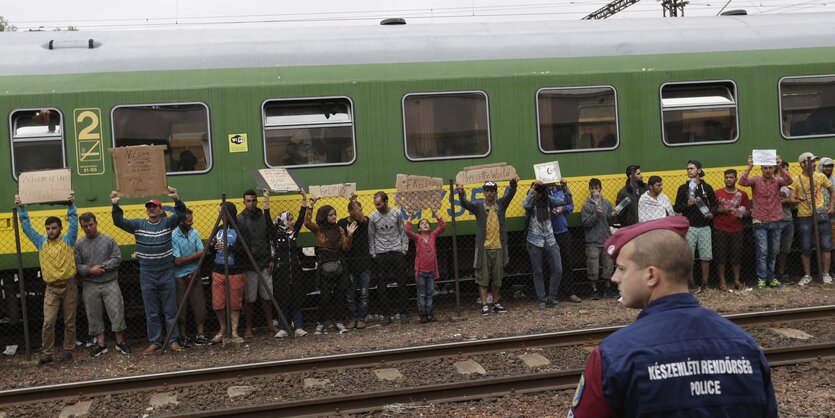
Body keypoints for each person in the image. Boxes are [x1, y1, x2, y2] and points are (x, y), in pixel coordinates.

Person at [568, 217, 777, 417]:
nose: (615, 278)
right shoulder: (745, 347)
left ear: (651, 275)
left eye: (622, 269)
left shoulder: (614, 355)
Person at [111, 187, 186, 353]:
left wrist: (176, 199)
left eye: (155, 207)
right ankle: (155, 342)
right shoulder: (138, 224)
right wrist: (116, 205)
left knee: (170, 310)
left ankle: (173, 341)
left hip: (166, 272)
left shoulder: (167, 223)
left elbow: (181, 214)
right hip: (147, 274)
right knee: (151, 312)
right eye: (149, 207)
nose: (151, 209)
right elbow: (119, 222)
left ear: (160, 210)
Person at [16, 192, 78, 364]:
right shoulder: (40, 242)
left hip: (70, 286)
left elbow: (73, 221)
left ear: (60, 228)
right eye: (48, 228)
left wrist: (71, 204)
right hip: (51, 288)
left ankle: (68, 350)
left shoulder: (69, 240)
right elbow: (27, 227)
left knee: (69, 321)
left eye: (54, 228)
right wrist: (22, 207)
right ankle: (47, 353)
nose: (50, 231)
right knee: (48, 322)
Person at [457, 178, 518, 316]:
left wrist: (513, 184)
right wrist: (461, 194)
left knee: (497, 277)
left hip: (498, 247)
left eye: (492, 191)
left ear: (495, 193)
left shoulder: (501, 205)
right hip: (483, 248)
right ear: (483, 193)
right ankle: (484, 305)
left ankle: (496, 303)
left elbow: (510, 194)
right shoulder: (479, 207)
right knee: (482, 278)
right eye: (487, 191)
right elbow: (466, 204)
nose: (489, 193)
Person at [74, 212, 129, 357]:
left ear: (96, 223)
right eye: (85, 226)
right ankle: (101, 344)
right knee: (93, 314)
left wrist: (101, 268)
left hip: (110, 282)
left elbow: (117, 258)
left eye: (91, 225)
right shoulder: (79, 244)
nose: (88, 228)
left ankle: (120, 342)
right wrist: (90, 270)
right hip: (90, 285)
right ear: (81, 227)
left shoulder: (109, 240)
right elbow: (77, 265)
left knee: (116, 312)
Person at [739, 155, 793, 289]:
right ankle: (762, 278)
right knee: (762, 252)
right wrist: (750, 166)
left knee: (773, 252)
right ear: (761, 169)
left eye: (770, 168)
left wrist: (780, 165)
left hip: (776, 220)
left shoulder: (778, 181)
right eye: (765, 168)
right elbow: (742, 181)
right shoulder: (756, 180)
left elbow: (789, 180)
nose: (767, 170)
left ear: (773, 168)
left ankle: (771, 278)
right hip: (760, 221)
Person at [306, 198, 357, 334]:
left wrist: (350, 235)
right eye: (331, 214)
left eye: (335, 214)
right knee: (325, 297)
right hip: (324, 264)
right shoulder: (319, 229)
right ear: (324, 216)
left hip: (339, 263)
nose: (334, 216)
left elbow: (345, 248)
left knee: (340, 295)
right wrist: (310, 205)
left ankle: (339, 322)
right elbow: (306, 222)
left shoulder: (339, 229)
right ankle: (320, 322)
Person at [523, 180, 571, 309]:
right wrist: (534, 188)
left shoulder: (549, 200)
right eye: (536, 192)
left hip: (550, 239)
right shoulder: (531, 201)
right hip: (534, 240)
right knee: (538, 271)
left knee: (558, 269)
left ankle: (552, 296)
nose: (538, 194)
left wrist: (565, 187)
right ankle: (542, 299)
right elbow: (525, 204)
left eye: (540, 191)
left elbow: (566, 201)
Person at [268, 189, 308, 338]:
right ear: (283, 220)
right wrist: (266, 199)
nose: (292, 222)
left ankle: (298, 327)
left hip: (295, 271)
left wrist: (304, 199)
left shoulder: (293, 233)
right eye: (289, 219)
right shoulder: (275, 234)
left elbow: (301, 217)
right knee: (283, 299)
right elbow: (267, 218)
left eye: (292, 219)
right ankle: (283, 327)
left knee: (296, 298)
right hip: (282, 272)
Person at [238, 189, 278, 338]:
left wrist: (272, 259)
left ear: (257, 201)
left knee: (267, 297)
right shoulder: (240, 219)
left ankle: (269, 324)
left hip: (265, 262)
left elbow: (271, 239)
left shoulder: (264, 217)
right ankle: (248, 328)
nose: (251, 203)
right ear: (244, 202)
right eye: (248, 201)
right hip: (249, 265)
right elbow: (237, 242)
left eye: (253, 200)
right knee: (249, 299)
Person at [207, 202, 249, 343]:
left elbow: (247, 250)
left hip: (235, 271)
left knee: (234, 303)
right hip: (218, 270)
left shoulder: (242, 228)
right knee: (217, 303)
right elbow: (211, 250)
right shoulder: (218, 229)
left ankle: (234, 331)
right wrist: (212, 245)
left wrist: (230, 247)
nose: (221, 216)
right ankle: (223, 328)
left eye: (223, 213)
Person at [673, 160, 717, 291]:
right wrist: (687, 204)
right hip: (689, 227)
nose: (688, 171)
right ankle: (690, 283)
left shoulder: (707, 187)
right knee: (689, 256)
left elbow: (714, 204)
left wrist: (712, 214)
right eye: (687, 169)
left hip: (704, 226)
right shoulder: (683, 188)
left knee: (706, 256)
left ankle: (705, 283)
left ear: (699, 170)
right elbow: (676, 207)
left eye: (691, 168)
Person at [368, 191, 410, 325]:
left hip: (397, 251)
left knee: (402, 283)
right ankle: (386, 314)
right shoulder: (373, 217)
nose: (377, 206)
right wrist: (373, 253)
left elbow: (403, 231)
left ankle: (403, 312)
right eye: (375, 204)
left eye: (379, 204)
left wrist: (404, 249)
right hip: (381, 253)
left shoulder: (397, 213)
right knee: (381, 285)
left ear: (386, 202)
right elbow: (371, 235)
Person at [794, 152, 835, 285]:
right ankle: (807, 275)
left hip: (821, 213)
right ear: (802, 164)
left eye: (814, 162)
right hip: (804, 216)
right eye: (810, 162)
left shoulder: (821, 176)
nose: (813, 164)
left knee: (826, 245)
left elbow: (832, 191)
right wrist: (797, 199)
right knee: (805, 246)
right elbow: (792, 198)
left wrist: (830, 207)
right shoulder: (796, 179)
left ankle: (826, 274)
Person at [171, 208, 210, 346]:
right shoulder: (174, 235)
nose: (191, 222)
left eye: (192, 219)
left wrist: (189, 258)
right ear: (181, 220)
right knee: (181, 308)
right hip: (179, 276)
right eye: (188, 220)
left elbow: (203, 253)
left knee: (200, 306)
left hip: (194, 273)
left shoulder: (194, 232)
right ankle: (183, 336)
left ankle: (200, 335)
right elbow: (177, 261)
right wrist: (195, 256)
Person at [405, 209, 446, 323]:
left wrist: (436, 213)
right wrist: (410, 216)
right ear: (419, 229)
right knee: (421, 294)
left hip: (431, 271)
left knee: (429, 294)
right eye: (422, 224)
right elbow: (407, 231)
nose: (425, 224)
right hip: (421, 272)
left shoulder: (433, 236)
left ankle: (430, 313)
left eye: (427, 223)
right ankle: (423, 315)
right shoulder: (417, 238)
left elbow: (443, 226)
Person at [713, 169, 751, 290]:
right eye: (727, 177)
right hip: (720, 228)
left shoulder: (742, 194)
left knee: (736, 256)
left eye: (731, 177)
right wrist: (722, 210)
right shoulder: (717, 193)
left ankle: (736, 280)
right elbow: (712, 210)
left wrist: (742, 213)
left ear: (735, 179)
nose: (729, 179)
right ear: (724, 178)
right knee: (720, 256)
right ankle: (722, 281)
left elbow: (748, 212)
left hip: (736, 228)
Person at [338, 195, 372, 329]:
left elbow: (361, 217)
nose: (359, 211)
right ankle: (353, 317)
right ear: (349, 211)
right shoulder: (341, 223)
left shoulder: (364, 221)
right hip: (349, 265)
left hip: (364, 263)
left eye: (360, 209)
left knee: (364, 294)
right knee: (350, 295)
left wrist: (353, 202)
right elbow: (344, 246)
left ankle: (362, 318)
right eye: (356, 209)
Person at [580, 178, 615, 300]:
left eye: (596, 188)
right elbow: (585, 224)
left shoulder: (607, 204)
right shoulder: (586, 206)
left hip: (606, 239)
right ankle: (594, 290)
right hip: (592, 241)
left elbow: (610, 221)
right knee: (593, 267)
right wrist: (596, 215)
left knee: (608, 266)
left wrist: (612, 216)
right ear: (589, 189)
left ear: (600, 188)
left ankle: (608, 289)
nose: (594, 190)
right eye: (592, 188)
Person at [549, 180, 580, 303]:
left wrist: (563, 208)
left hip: (562, 231)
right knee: (551, 265)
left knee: (567, 263)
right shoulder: (542, 192)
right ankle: (552, 294)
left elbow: (570, 206)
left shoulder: (560, 190)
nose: (550, 184)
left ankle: (570, 292)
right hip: (549, 233)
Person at [777, 164, 798, 284]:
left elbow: (793, 200)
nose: (786, 171)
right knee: (774, 249)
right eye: (783, 169)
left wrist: (788, 200)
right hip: (776, 220)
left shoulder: (790, 184)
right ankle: (772, 273)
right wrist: (789, 200)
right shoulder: (773, 183)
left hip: (788, 219)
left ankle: (781, 273)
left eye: (787, 169)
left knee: (785, 249)